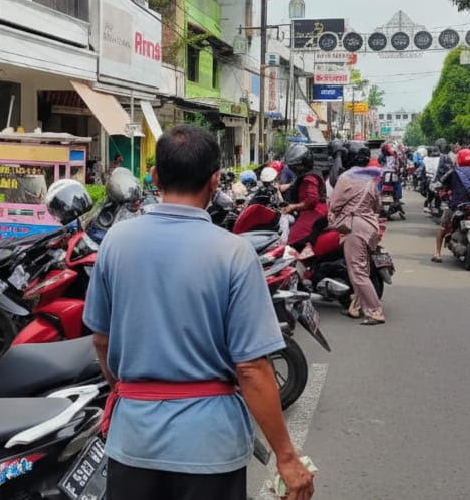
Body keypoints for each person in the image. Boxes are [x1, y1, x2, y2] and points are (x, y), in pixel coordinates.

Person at [84, 125, 314, 500]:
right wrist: (286, 457)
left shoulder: (116, 242)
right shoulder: (234, 253)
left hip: (134, 440)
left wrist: (127, 394)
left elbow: (101, 339)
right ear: (214, 182)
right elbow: (252, 368)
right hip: (208, 447)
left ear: (155, 176)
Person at [328, 141, 385, 325]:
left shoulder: (345, 178)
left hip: (354, 227)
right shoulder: (369, 179)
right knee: (363, 269)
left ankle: (375, 311)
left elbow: (334, 204)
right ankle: (355, 307)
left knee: (358, 272)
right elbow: (378, 205)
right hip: (371, 227)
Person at [432, 148, 470, 263]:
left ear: (459, 158)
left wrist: (441, 191)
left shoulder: (454, 171)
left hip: (457, 205)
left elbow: (440, 183)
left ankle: (437, 253)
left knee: (443, 227)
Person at [282, 144, 328, 248]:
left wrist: (293, 207)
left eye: (298, 165)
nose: (295, 168)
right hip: (316, 212)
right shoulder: (310, 174)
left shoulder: (309, 178)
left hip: (314, 214)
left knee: (294, 239)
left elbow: (312, 200)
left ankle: (299, 261)